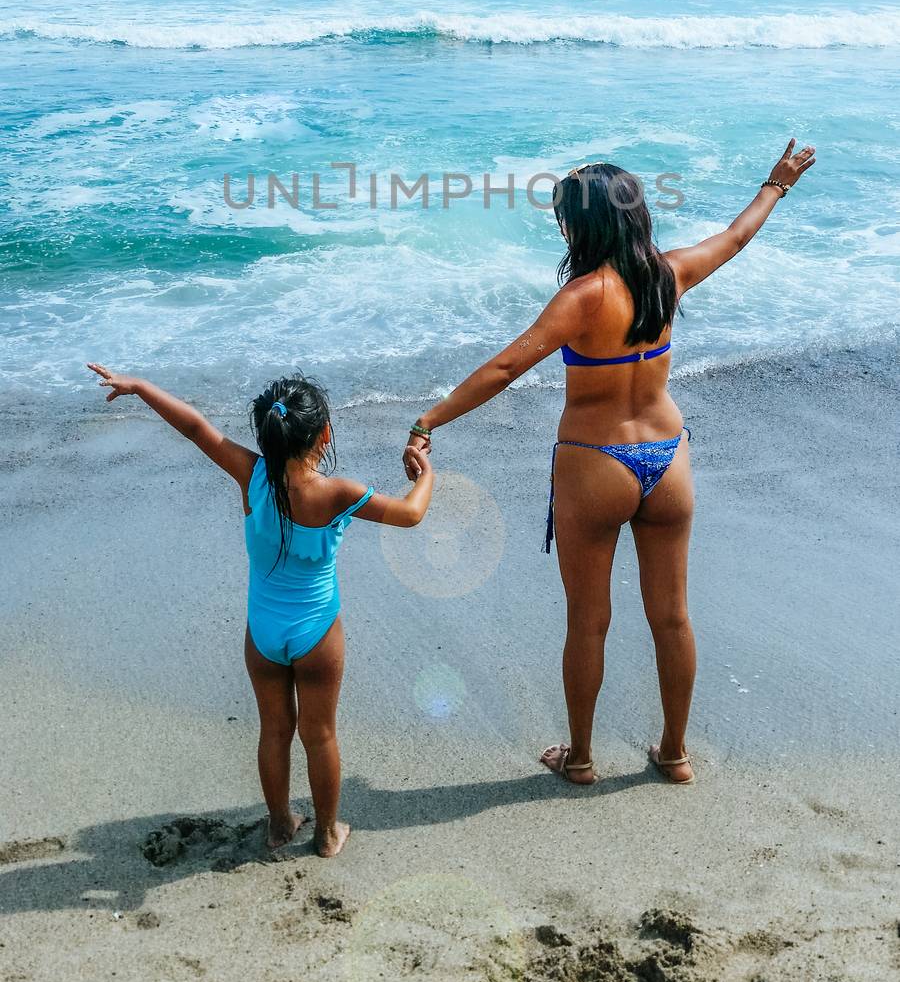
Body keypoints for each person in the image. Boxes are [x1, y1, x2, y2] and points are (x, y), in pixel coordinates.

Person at [402, 139, 815, 786]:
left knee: (588, 622)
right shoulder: (669, 273)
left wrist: (429, 420)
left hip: (598, 462)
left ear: (582, 224)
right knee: (672, 615)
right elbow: (736, 238)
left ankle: (583, 758)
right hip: (668, 458)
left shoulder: (584, 297)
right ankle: (675, 754)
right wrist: (776, 184)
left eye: (564, 215)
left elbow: (508, 366)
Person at [87, 365, 433, 855]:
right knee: (320, 734)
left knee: (275, 730)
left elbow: (193, 427)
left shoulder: (251, 475)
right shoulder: (339, 493)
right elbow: (411, 514)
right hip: (317, 633)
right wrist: (426, 471)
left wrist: (140, 386)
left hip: (264, 633)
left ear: (268, 434)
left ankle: (278, 824)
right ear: (324, 434)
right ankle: (327, 832)